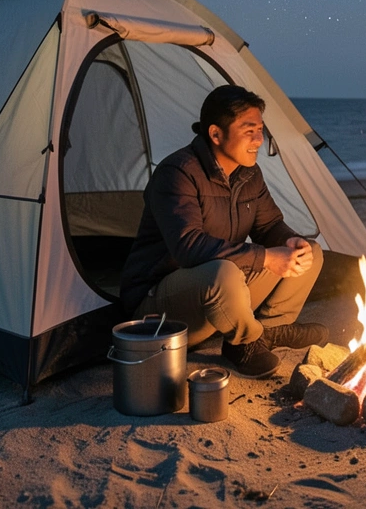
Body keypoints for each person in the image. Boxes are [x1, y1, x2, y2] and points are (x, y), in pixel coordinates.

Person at [118, 85, 327, 378]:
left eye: (261, 129)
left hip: (217, 293)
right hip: (159, 305)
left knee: (310, 251)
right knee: (223, 275)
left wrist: (288, 240)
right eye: (249, 130)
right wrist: (266, 257)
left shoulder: (249, 173)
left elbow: (268, 226)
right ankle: (245, 341)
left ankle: (268, 331)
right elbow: (188, 247)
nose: (259, 139)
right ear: (216, 134)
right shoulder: (177, 173)